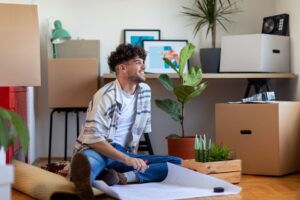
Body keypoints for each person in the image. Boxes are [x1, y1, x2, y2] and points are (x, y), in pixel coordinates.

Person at [70, 43, 181, 199]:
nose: (144, 66)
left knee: (176, 163)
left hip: (123, 154)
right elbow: (94, 140)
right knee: (87, 164)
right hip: (100, 150)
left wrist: (130, 159)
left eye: (143, 61)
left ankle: (124, 177)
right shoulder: (105, 96)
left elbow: (137, 132)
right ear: (122, 68)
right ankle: (86, 184)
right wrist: (127, 159)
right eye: (138, 62)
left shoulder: (145, 91)